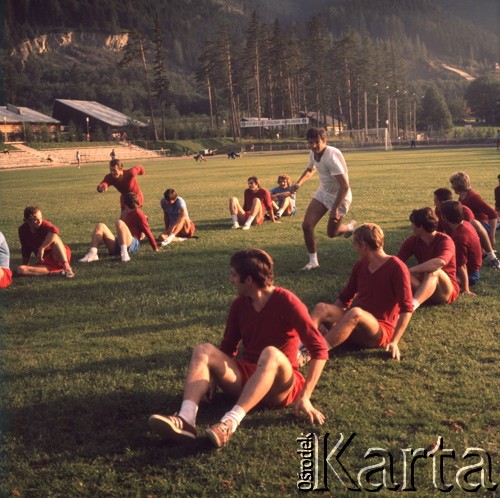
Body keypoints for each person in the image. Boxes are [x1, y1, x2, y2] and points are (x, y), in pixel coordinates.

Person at [148, 248, 329, 448]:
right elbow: (228, 349)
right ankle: (186, 419)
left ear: (249, 280)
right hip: (247, 375)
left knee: (270, 353)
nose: (231, 280)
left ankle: (229, 423)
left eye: (234, 275)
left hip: (280, 385)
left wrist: (305, 396)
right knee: (203, 349)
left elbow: (319, 349)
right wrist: (213, 378)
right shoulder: (239, 305)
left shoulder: (287, 301)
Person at [308, 224, 413, 362]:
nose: (355, 248)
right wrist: (327, 320)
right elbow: (345, 298)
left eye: (355, 244)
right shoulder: (361, 265)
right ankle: (300, 344)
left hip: (379, 329)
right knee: (322, 308)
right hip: (355, 322)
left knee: (355, 312)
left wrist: (394, 341)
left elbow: (406, 309)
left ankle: (315, 352)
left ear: (363, 245)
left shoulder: (397, 267)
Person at [291, 127, 356, 270]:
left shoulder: (332, 156)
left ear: (324, 140)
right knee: (307, 225)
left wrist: (334, 209)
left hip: (340, 196)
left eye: (316, 142)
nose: (313, 146)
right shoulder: (313, 153)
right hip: (323, 192)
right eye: (310, 143)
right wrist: (298, 184)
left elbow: (345, 186)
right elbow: (310, 169)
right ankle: (313, 262)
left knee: (332, 233)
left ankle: (349, 227)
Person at [397, 207, 460, 310]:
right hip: (422, 286)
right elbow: (397, 261)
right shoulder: (413, 241)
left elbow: (440, 262)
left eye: (413, 224)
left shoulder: (445, 240)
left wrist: (410, 270)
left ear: (420, 227)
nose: (411, 227)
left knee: (433, 271)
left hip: (444, 290)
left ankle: (412, 305)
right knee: (399, 271)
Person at [80, 192, 158, 263]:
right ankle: (93, 253)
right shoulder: (126, 213)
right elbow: (122, 230)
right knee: (100, 226)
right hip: (120, 243)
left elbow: (148, 232)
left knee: (119, 222)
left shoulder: (139, 214)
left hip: (132, 243)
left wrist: (155, 248)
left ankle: (124, 254)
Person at [433, 187, 499, 269]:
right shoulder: (438, 211)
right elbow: (439, 230)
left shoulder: (464, 210)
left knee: (475, 224)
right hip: (454, 239)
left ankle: (491, 256)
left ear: (442, 202)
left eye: (435, 201)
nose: (434, 204)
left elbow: (471, 232)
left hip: (464, 240)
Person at [16, 206, 74, 278]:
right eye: (35, 220)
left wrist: (42, 248)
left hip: (58, 256)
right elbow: (25, 248)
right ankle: (57, 272)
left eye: (40, 218)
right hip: (44, 261)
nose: (39, 221)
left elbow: (54, 231)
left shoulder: (44, 224)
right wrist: (25, 264)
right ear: (27, 220)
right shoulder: (23, 230)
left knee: (55, 237)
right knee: (20, 269)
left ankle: (67, 268)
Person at [439, 200, 482, 295]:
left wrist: (466, 289)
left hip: (470, 275)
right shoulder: (466, 224)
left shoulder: (459, 237)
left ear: (444, 217)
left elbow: (462, 266)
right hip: (475, 270)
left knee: (439, 277)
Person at [449, 172, 498, 249]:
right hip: (471, 225)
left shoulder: (473, 197)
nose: (451, 187)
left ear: (457, 185)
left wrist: (491, 236)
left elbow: (493, 214)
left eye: (452, 184)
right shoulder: (462, 197)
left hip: (481, 225)